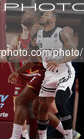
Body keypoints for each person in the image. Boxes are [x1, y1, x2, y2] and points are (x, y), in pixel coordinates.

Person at [30, 11, 78, 139]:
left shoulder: (61, 33)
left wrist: (58, 61)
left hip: (64, 71)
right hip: (50, 73)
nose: (42, 16)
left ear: (53, 19)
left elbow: (75, 52)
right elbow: (37, 53)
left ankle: (69, 136)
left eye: (46, 15)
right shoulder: (38, 35)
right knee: (43, 107)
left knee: (60, 102)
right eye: (42, 14)